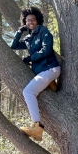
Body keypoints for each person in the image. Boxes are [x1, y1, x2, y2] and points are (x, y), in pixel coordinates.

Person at [10, 7, 60, 141]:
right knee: (31, 92)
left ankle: (37, 127)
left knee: (28, 92)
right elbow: (13, 46)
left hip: (50, 69)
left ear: (37, 20)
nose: (30, 22)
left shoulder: (43, 31)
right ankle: (36, 126)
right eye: (27, 20)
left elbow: (46, 50)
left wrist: (30, 58)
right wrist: (19, 32)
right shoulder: (28, 38)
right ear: (25, 22)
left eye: (33, 19)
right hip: (41, 72)